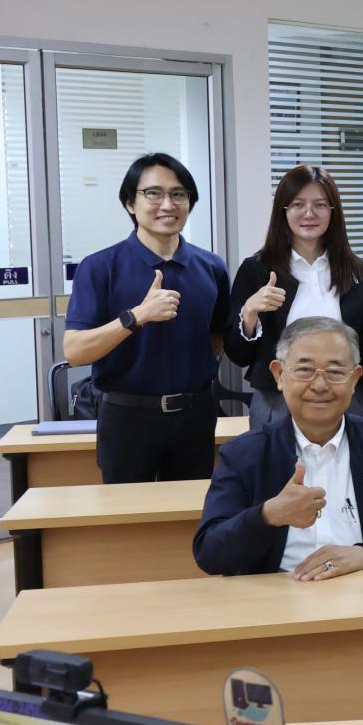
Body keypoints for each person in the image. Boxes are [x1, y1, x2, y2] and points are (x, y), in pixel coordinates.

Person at [193, 317, 363, 579]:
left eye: (335, 372)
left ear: (355, 378)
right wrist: (268, 515)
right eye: (304, 370)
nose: (320, 385)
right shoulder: (244, 455)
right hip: (278, 595)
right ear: (279, 374)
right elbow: (210, 553)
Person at [63, 153, 230, 484]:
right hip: (127, 416)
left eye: (178, 194)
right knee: (126, 512)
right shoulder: (100, 267)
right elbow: (75, 351)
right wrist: (136, 317)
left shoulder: (211, 266)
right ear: (130, 203)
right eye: (153, 193)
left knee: (190, 509)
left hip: (195, 415)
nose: (168, 204)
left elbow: (216, 337)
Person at [226, 165, 363, 428]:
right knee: (277, 457)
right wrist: (249, 313)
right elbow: (238, 355)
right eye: (298, 204)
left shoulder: (356, 271)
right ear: (283, 211)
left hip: (345, 398)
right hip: (278, 400)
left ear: (333, 211)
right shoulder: (257, 269)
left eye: (320, 205)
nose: (309, 213)